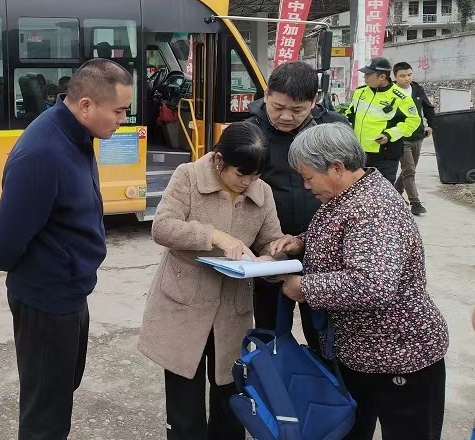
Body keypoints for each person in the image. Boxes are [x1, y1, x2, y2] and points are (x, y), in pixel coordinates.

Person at [0, 58, 133, 440]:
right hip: (46, 301)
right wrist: (4, 255)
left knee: (60, 390)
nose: (123, 119)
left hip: (69, 292)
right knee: (45, 415)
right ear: (86, 105)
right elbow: (2, 243)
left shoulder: (77, 136)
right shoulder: (44, 152)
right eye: (118, 111)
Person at [273, 123, 449, 440]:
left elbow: (373, 285)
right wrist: (301, 242)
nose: (306, 185)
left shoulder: (374, 209)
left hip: (399, 355)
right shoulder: (348, 195)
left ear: (337, 167)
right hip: (361, 353)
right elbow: (346, 242)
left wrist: (304, 287)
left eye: (308, 176)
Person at [138, 122, 288, 440]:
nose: (247, 183)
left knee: (229, 398)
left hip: (231, 310)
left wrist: (272, 258)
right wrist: (214, 236)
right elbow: (162, 227)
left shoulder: (262, 192)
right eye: (241, 175)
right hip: (184, 304)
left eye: (255, 176)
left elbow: (269, 241)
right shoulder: (188, 176)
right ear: (219, 160)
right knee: (185, 405)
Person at [247, 61, 348, 351]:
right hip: (270, 250)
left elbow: (351, 182)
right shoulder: (249, 132)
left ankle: (321, 376)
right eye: (278, 107)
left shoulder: (334, 129)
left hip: (324, 252)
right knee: (269, 332)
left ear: (314, 100)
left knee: (323, 335)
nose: (286, 116)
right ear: (266, 94)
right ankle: (271, 376)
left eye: (298, 109)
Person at [345, 57, 421, 184]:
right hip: (358, 154)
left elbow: (414, 121)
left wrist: (389, 134)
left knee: (382, 192)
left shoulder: (400, 97)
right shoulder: (360, 92)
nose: (365, 77)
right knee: (358, 191)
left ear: (382, 77)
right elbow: (349, 114)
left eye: (368, 75)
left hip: (384, 156)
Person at [392, 62, 435, 215]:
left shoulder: (417, 89)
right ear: (395, 77)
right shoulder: (391, 92)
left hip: (418, 136)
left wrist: (431, 126)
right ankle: (415, 203)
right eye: (402, 76)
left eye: (409, 75)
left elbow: (428, 107)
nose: (407, 78)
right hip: (400, 137)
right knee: (409, 170)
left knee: (408, 170)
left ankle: (395, 194)